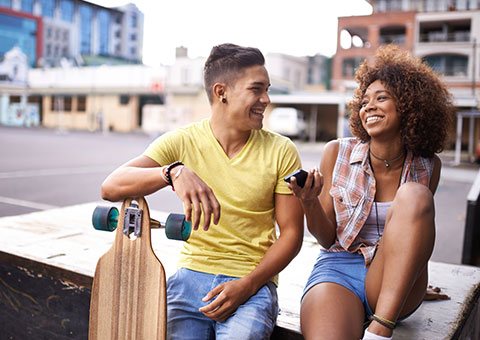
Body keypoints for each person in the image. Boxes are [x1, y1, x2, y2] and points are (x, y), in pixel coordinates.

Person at [101, 43, 304, 339]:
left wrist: (247, 285)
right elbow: (111, 186)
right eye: (257, 89)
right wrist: (172, 172)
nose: (266, 99)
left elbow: (291, 234)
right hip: (188, 280)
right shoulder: (182, 142)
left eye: (267, 89)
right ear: (221, 92)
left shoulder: (281, 150)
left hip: (251, 284)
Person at [288, 44, 455, 340]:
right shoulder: (337, 152)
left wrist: (410, 278)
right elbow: (326, 237)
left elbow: (415, 229)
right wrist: (309, 203)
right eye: (364, 102)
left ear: (409, 106)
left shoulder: (429, 166)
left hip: (393, 279)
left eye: (382, 98)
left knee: (414, 195)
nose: (369, 107)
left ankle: (380, 330)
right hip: (338, 267)